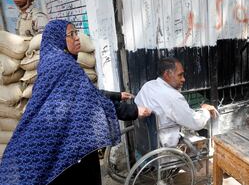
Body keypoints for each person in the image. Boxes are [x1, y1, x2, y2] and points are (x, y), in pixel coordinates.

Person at [0, 20, 149, 185]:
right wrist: (133, 111)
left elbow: (84, 93)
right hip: (69, 144)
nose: (77, 38)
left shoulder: (49, 61)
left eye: (76, 33)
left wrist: (117, 95)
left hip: (55, 139)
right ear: (59, 38)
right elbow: (92, 101)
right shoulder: (66, 66)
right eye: (71, 34)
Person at [135, 57, 218, 148]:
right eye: (180, 75)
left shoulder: (148, 86)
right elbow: (196, 123)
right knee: (205, 145)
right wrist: (205, 111)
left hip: (146, 144)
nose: (183, 79)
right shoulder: (172, 97)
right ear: (167, 75)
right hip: (166, 148)